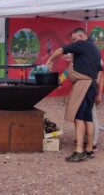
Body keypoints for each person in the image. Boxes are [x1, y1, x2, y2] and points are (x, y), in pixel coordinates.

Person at [46, 28, 102, 162]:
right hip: (91, 84)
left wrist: (49, 60)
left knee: (79, 117)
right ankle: (89, 148)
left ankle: (79, 150)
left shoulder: (83, 44)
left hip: (83, 84)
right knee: (88, 117)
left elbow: (61, 50)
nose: (74, 43)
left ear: (82, 35)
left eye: (75, 39)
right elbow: (68, 59)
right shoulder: (94, 49)